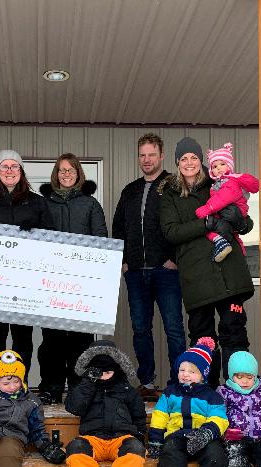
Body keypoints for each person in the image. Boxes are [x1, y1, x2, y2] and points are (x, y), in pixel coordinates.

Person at [158, 136, 255, 387]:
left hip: (227, 274)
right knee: (203, 338)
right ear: (177, 163)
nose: (189, 163)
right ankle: (207, 392)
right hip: (196, 277)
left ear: (201, 160)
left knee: (234, 332)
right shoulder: (169, 194)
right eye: (183, 159)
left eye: (193, 157)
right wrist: (205, 224)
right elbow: (171, 232)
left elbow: (246, 223)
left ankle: (238, 390)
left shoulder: (217, 182)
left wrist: (239, 219)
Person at [0, 150, 54, 381]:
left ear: (21, 171)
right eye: (5, 166)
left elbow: (51, 240)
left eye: (14, 166)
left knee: (23, 337)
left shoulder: (37, 203)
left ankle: (20, 383)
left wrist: (34, 236)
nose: (10, 171)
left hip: (25, 283)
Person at [112, 133, 186, 393]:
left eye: (151, 154)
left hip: (165, 272)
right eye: (142, 155)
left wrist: (174, 260)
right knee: (140, 329)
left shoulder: (174, 185)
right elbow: (118, 227)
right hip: (135, 273)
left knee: (173, 328)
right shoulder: (130, 190)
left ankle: (180, 382)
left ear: (161, 156)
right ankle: (146, 381)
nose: (146, 160)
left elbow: (183, 224)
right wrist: (123, 261)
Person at [36, 153, 108, 404]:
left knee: (80, 339)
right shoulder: (43, 203)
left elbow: (101, 239)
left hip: (82, 284)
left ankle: (79, 386)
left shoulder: (90, 204)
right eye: (62, 170)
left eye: (71, 170)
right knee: (52, 339)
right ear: (56, 174)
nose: (66, 175)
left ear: (78, 174)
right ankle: (51, 386)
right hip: (52, 283)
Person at [64, 340, 147, 467]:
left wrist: (138, 436)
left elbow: (139, 416)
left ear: (116, 370)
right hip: (92, 439)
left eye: (108, 372)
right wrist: (88, 382)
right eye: (99, 372)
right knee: (75, 447)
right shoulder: (85, 387)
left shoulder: (127, 390)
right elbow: (73, 407)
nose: (103, 376)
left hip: (121, 438)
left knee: (136, 448)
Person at [147, 337, 228, 467]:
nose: (185, 374)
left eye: (191, 371)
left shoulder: (211, 396)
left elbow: (219, 418)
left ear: (202, 375)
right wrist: (155, 439)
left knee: (216, 454)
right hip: (177, 435)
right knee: (169, 452)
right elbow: (159, 416)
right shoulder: (170, 393)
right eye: (182, 369)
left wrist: (207, 433)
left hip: (202, 436)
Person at [195, 143, 259, 262]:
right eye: (214, 166)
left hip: (235, 213)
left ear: (229, 166)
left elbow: (221, 200)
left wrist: (205, 210)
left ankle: (224, 244)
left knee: (209, 224)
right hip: (225, 215)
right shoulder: (217, 184)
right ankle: (225, 245)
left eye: (222, 164)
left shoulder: (230, 182)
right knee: (210, 228)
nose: (218, 168)